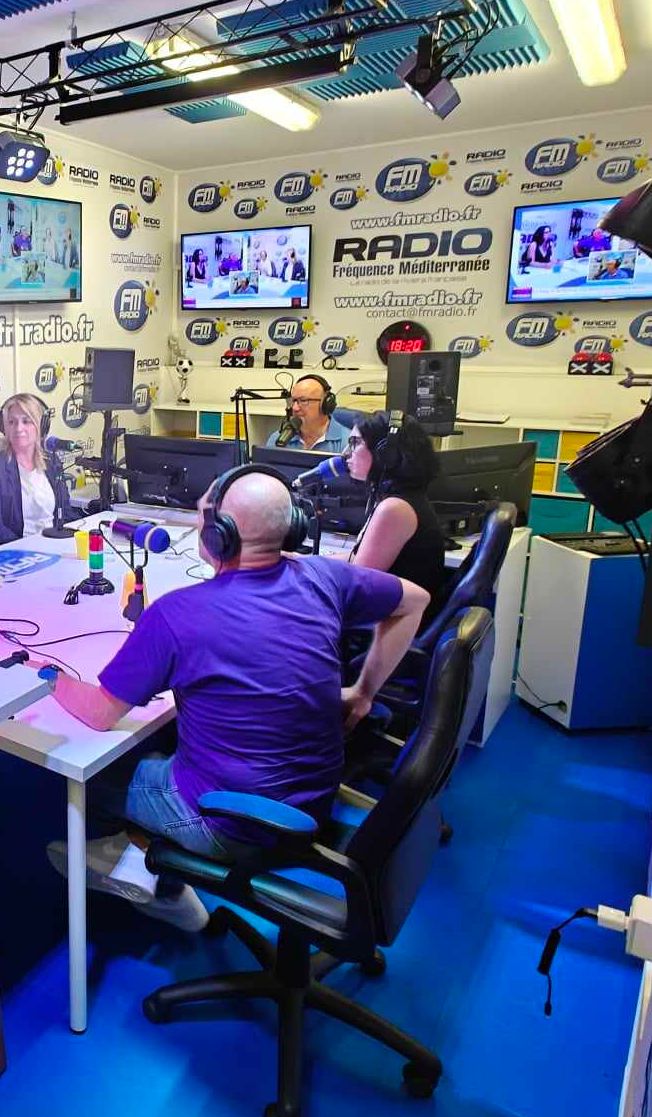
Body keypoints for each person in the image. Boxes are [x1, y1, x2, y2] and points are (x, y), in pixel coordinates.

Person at [43, 467, 429, 929]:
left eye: (204, 514)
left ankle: (147, 874)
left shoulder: (177, 614)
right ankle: (148, 866)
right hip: (312, 802)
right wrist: (364, 692)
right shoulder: (326, 577)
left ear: (219, 533)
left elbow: (99, 712)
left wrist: (47, 675)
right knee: (167, 748)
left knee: (97, 774)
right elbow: (416, 600)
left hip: (229, 824)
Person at [344, 413, 448, 612]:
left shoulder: (394, 509)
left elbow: (357, 585)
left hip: (393, 622)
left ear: (386, 454)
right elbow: (356, 559)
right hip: (393, 614)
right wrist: (302, 561)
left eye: (355, 443)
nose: (346, 453)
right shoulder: (404, 499)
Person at [0, 392, 74, 544]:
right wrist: (27, 548)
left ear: (40, 425)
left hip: (55, 543)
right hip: (19, 548)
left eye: (26, 421)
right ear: (4, 427)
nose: (19, 428)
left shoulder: (52, 462)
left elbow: (66, 511)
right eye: (11, 422)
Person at [266, 374, 350, 452]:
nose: (295, 408)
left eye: (303, 401)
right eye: (293, 401)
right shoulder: (279, 440)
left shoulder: (349, 443)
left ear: (325, 404)